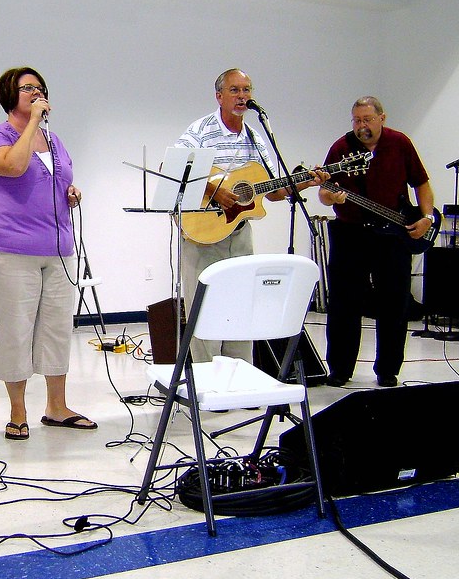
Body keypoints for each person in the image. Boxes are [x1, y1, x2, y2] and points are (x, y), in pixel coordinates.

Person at [0, 66, 92, 441]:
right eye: (27, 88)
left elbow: (59, 181)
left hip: (56, 247)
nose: (36, 93)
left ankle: (56, 407)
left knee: (58, 327)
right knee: (17, 330)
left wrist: (70, 194)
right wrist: (34, 123)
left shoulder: (54, 141)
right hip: (7, 248)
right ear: (10, 95)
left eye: (39, 88)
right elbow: (14, 165)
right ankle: (17, 411)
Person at [175, 68, 326, 362]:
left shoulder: (255, 138)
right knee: (203, 308)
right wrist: (214, 190)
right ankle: (208, 383)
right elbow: (177, 165)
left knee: (241, 305)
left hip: (240, 234)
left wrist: (304, 182)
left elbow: (271, 190)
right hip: (202, 232)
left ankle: (240, 376)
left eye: (247, 90)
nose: (242, 96)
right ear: (219, 96)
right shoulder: (201, 130)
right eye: (235, 90)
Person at [317, 95, 435, 388]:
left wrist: (427, 217)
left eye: (367, 119)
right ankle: (340, 368)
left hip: (394, 234)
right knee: (344, 302)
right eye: (356, 120)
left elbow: (420, 183)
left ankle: (387, 369)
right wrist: (332, 196)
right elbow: (323, 192)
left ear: (382, 118)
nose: (361, 126)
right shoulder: (341, 148)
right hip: (351, 233)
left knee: (394, 302)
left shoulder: (400, 143)